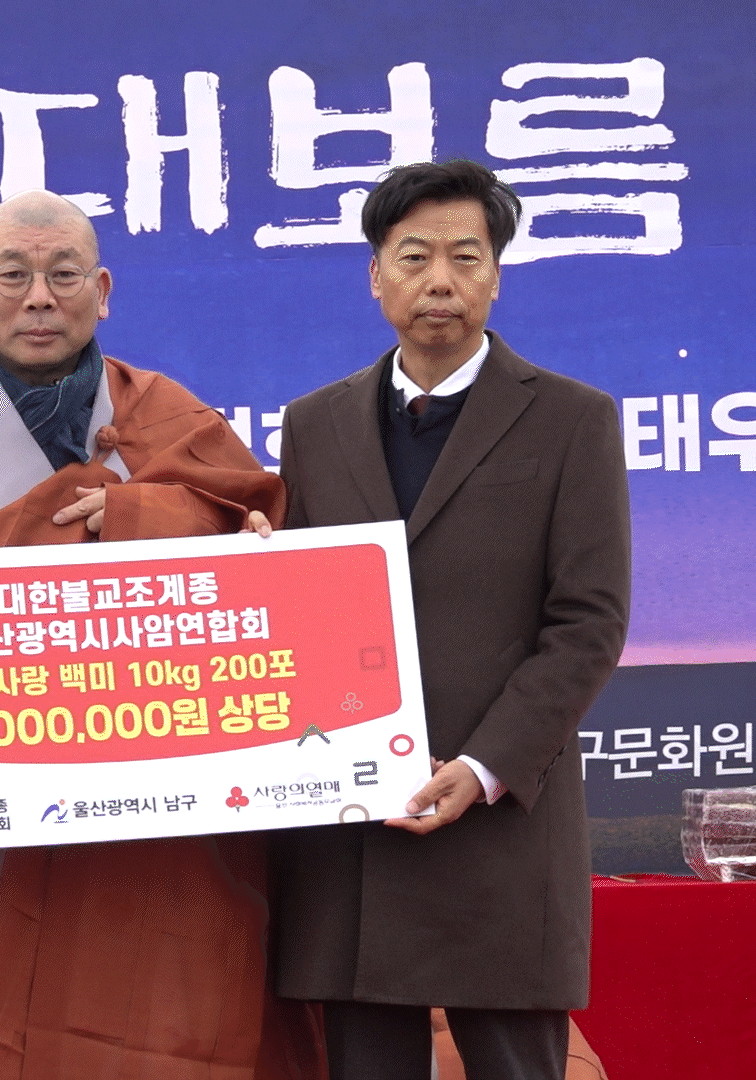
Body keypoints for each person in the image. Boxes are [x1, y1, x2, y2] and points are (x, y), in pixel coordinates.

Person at [0, 190, 306, 1080]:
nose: (40, 298)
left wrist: (155, 521)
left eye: (64, 274)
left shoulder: (176, 421)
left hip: (153, 818)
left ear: (104, 290)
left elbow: (262, 565)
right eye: (13, 275)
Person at [269, 159, 632, 1080]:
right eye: (415, 256)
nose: (440, 279)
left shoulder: (571, 420)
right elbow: (298, 610)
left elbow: (588, 621)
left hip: (501, 829)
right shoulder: (315, 424)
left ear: (496, 275)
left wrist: (483, 766)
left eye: (466, 257)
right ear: (376, 275)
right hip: (356, 831)